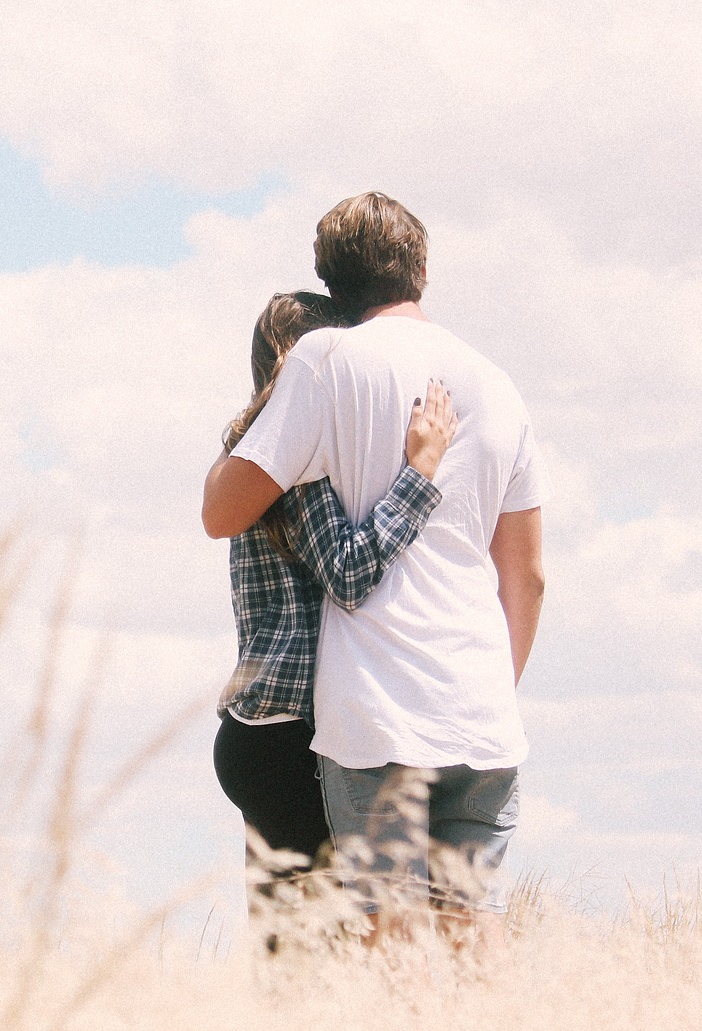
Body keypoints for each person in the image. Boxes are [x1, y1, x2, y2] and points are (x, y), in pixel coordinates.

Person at [202, 193, 548, 956]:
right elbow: (527, 578)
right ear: (422, 266)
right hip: (472, 710)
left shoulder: (323, 377)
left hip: (362, 717)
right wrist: (491, 686)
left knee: (358, 947)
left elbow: (229, 514)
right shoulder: (498, 382)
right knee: (473, 929)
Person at [210, 290, 458, 942]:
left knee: (290, 964)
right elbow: (348, 575)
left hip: (257, 729)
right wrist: (420, 474)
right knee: (337, 965)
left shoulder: (250, 452)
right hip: (300, 737)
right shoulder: (303, 457)